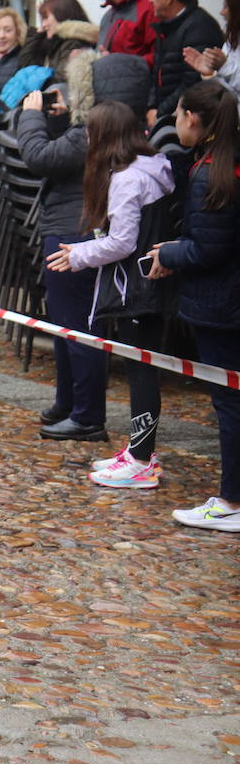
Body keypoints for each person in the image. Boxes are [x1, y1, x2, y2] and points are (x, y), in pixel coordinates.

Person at [17, 47, 152, 441]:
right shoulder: (114, 132)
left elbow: (39, 156)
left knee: (79, 325)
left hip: (73, 234)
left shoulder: (92, 134)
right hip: (71, 228)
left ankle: (87, 415)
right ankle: (69, 403)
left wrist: (30, 115)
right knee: (66, 324)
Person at [45, 101, 174, 487]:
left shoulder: (127, 179)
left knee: (141, 369)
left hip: (137, 286)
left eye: (90, 133)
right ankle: (139, 450)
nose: (86, 140)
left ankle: (141, 460)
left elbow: (122, 242)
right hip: (151, 279)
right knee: (141, 367)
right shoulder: (156, 165)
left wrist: (80, 255)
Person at [145, 80, 240, 531]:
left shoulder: (210, 174)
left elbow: (209, 250)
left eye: (178, 114)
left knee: (230, 401)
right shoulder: (224, 164)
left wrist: (168, 255)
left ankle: (231, 502)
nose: (175, 123)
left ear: (193, 120)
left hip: (223, 306)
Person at [147, 0, 224, 126]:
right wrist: (151, 107)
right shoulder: (168, 26)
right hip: (165, 117)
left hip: (186, 122)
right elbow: (157, 72)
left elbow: (193, 82)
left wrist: (160, 113)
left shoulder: (200, 28)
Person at [183, 0, 240, 98]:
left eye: (226, 7)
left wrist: (225, 66)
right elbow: (227, 92)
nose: (222, 12)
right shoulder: (233, 38)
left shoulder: (201, 23)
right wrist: (209, 74)